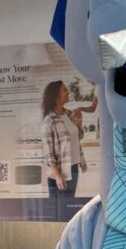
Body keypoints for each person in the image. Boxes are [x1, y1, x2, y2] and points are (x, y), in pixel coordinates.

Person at [41, 80, 84, 218]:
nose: (68, 93)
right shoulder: (49, 121)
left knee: (67, 212)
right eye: (64, 90)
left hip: (73, 167)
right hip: (59, 172)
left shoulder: (69, 114)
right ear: (56, 96)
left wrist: (79, 123)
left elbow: (78, 137)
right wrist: (58, 175)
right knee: (56, 214)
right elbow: (49, 153)